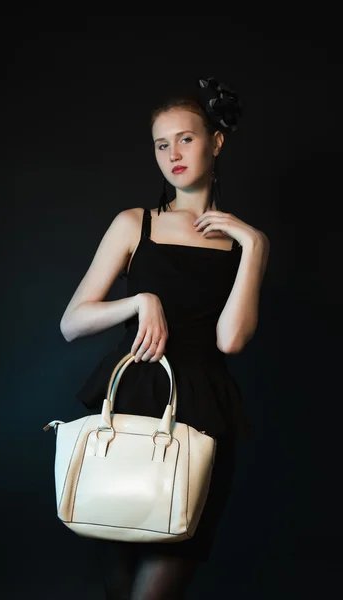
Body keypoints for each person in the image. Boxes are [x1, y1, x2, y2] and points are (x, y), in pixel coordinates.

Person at [59, 77, 270, 600]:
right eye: (161, 143)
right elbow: (72, 322)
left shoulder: (242, 241)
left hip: (200, 415)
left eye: (186, 139)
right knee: (120, 579)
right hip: (129, 404)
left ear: (215, 142)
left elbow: (231, 341)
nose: (172, 153)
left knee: (162, 580)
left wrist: (256, 244)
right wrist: (139, 300)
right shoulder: (136, 223)